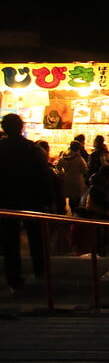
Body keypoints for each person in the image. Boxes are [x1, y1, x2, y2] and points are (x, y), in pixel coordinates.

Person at [0, 114, 52, 289]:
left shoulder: (1, 148)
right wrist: (48, 198)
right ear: (21, 127)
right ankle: (40, 270)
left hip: (6, 200)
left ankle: (13, 277)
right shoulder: (32, 148)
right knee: (35, 236)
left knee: (10, 241)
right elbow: (43, 175)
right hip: (31, 197)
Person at [56, 140, 89, 215]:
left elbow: (58, 166)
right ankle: (75, 212)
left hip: (67, 180)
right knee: (77, 198)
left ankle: (71, 210)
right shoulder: (79, 158)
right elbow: (84, 169)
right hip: (77, 180)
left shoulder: (64, 156)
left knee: (70, 197)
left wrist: (62, 173)